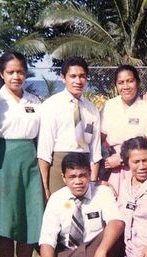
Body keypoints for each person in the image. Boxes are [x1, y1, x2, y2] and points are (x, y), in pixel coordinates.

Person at [26, 153, 125, 257]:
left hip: (95, 251)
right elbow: (47, 239)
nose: (78, 181)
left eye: (82, 175)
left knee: (112, 238)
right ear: (64, 178)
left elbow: (117, 222)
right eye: (72, 177)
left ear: (89, 174)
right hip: (68, 253)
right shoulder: (57, 199)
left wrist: (101, 253)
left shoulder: (102, 192)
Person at [0, 52, 44, 257]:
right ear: (1, 74)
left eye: (20, 71)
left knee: (30, 218)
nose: (16, 76)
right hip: (4, 162)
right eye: (10, 72)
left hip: (30, 160)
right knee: (7, 219)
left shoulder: (35, 101)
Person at [37, 56, 101, 198]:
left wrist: (93, 180)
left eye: (82, 76)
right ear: (63, 78)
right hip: (58, 166)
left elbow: (95, 150)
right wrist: (45, 187)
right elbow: (44, 151)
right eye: (73, 76)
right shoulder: (51, 105)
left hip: (84, 167)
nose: (78, 81)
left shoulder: (92, 109)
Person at [100, 65, 147, 194]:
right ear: (116, 86)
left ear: (137, 82)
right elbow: (100, 138)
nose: (125, 86)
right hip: (112, 168)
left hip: (139, 166)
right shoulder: (109, 106)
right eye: (121, 83)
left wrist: (122, 158)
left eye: (130, 81)